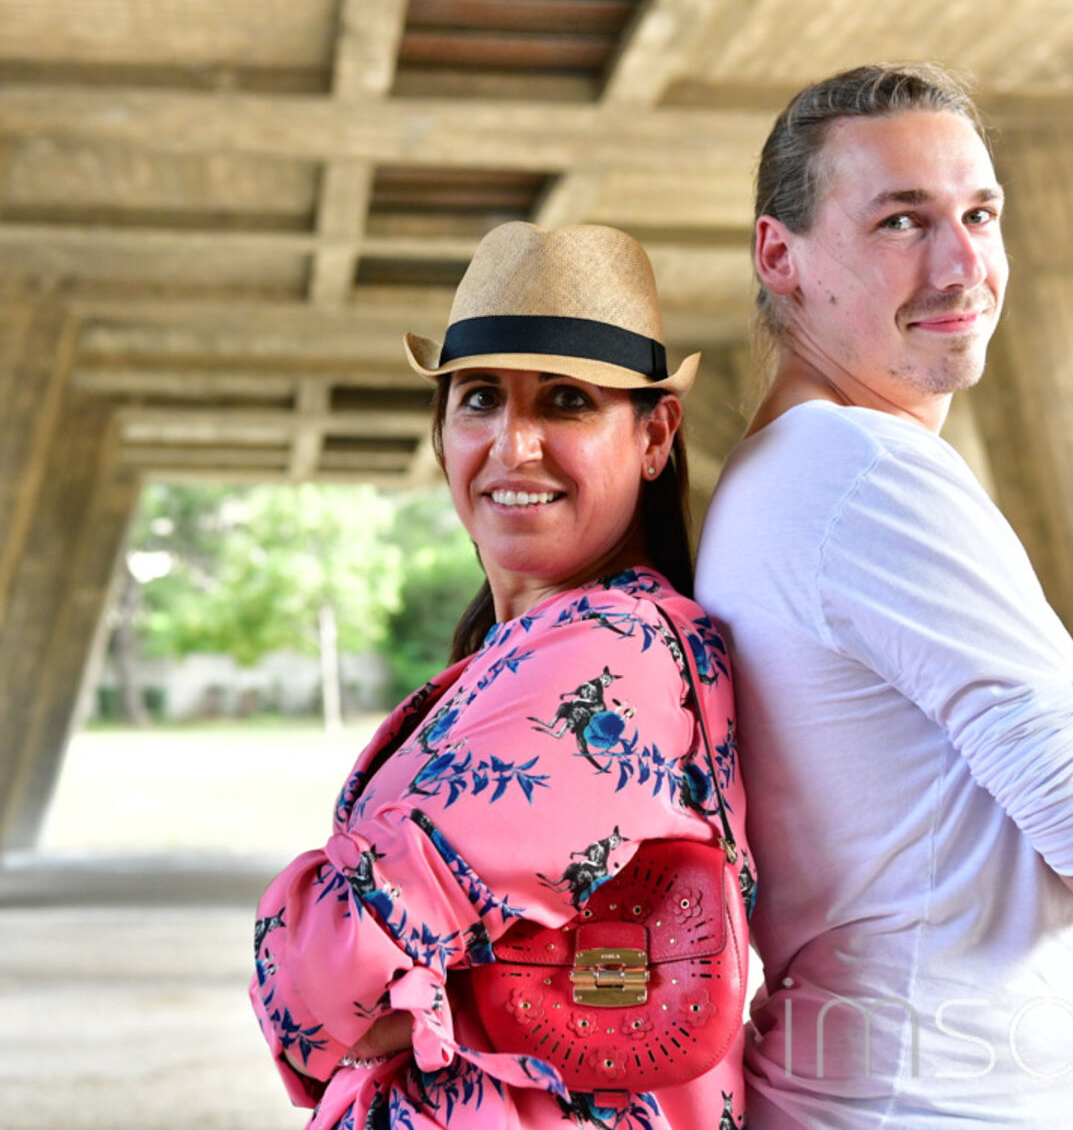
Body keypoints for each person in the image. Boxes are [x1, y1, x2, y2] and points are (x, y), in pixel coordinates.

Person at [692, 64, 1073, 1127]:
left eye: (980, 214)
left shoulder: (784, 471)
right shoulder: (867, 476)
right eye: (901, 221)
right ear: (779, 255)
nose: (964, 263)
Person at [250, 221, 755, 1129]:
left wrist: (416, 989)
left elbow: (312, 985)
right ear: (441, 432)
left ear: (654, 435)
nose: (513, 445)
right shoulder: (528, 649)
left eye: (566, 402)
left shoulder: (610, 658)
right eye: (480, 398)